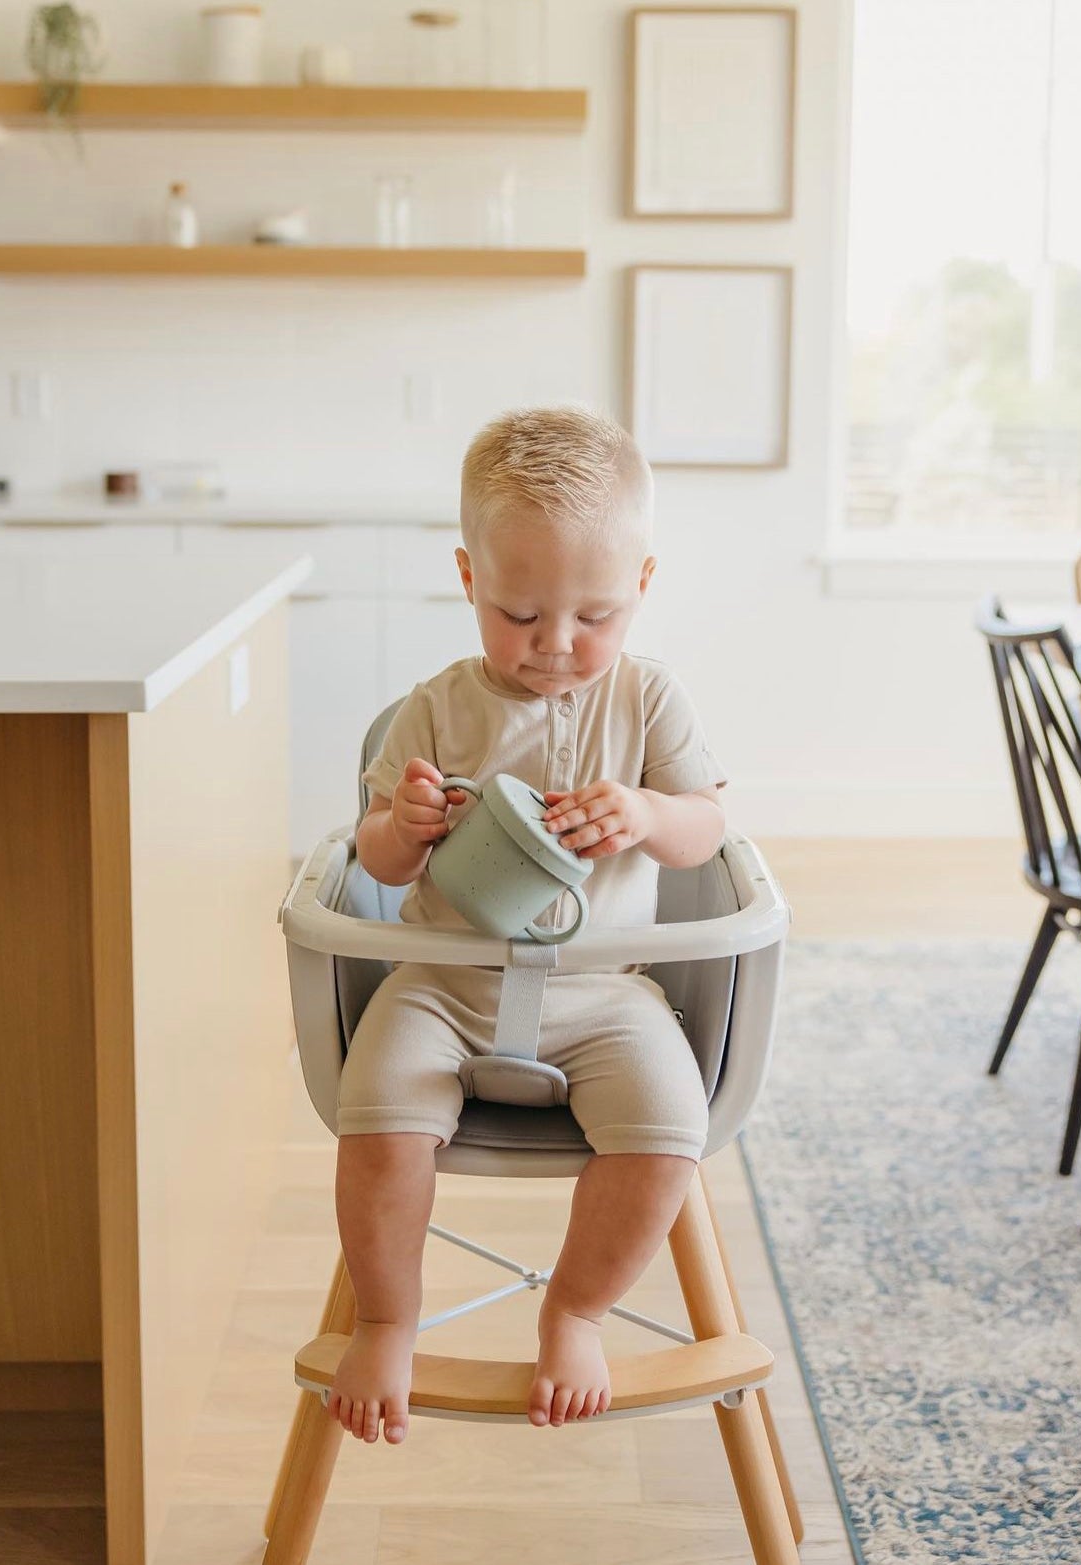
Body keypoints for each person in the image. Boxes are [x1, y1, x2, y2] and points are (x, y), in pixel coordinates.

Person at [329, 406, 727, 1446]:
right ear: (468, 578)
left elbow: (707, 829)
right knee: (375, 1121)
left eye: (594, 613)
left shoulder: (651, 701)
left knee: (668, 1134)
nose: (554, 645)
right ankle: (386, 1317)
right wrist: (404, 827)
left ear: (641, 585)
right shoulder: (433, 707)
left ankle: (577, 1310)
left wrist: (645, 811)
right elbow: (368, 861)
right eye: (517, 612)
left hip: (605, 994)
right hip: (443, 985)